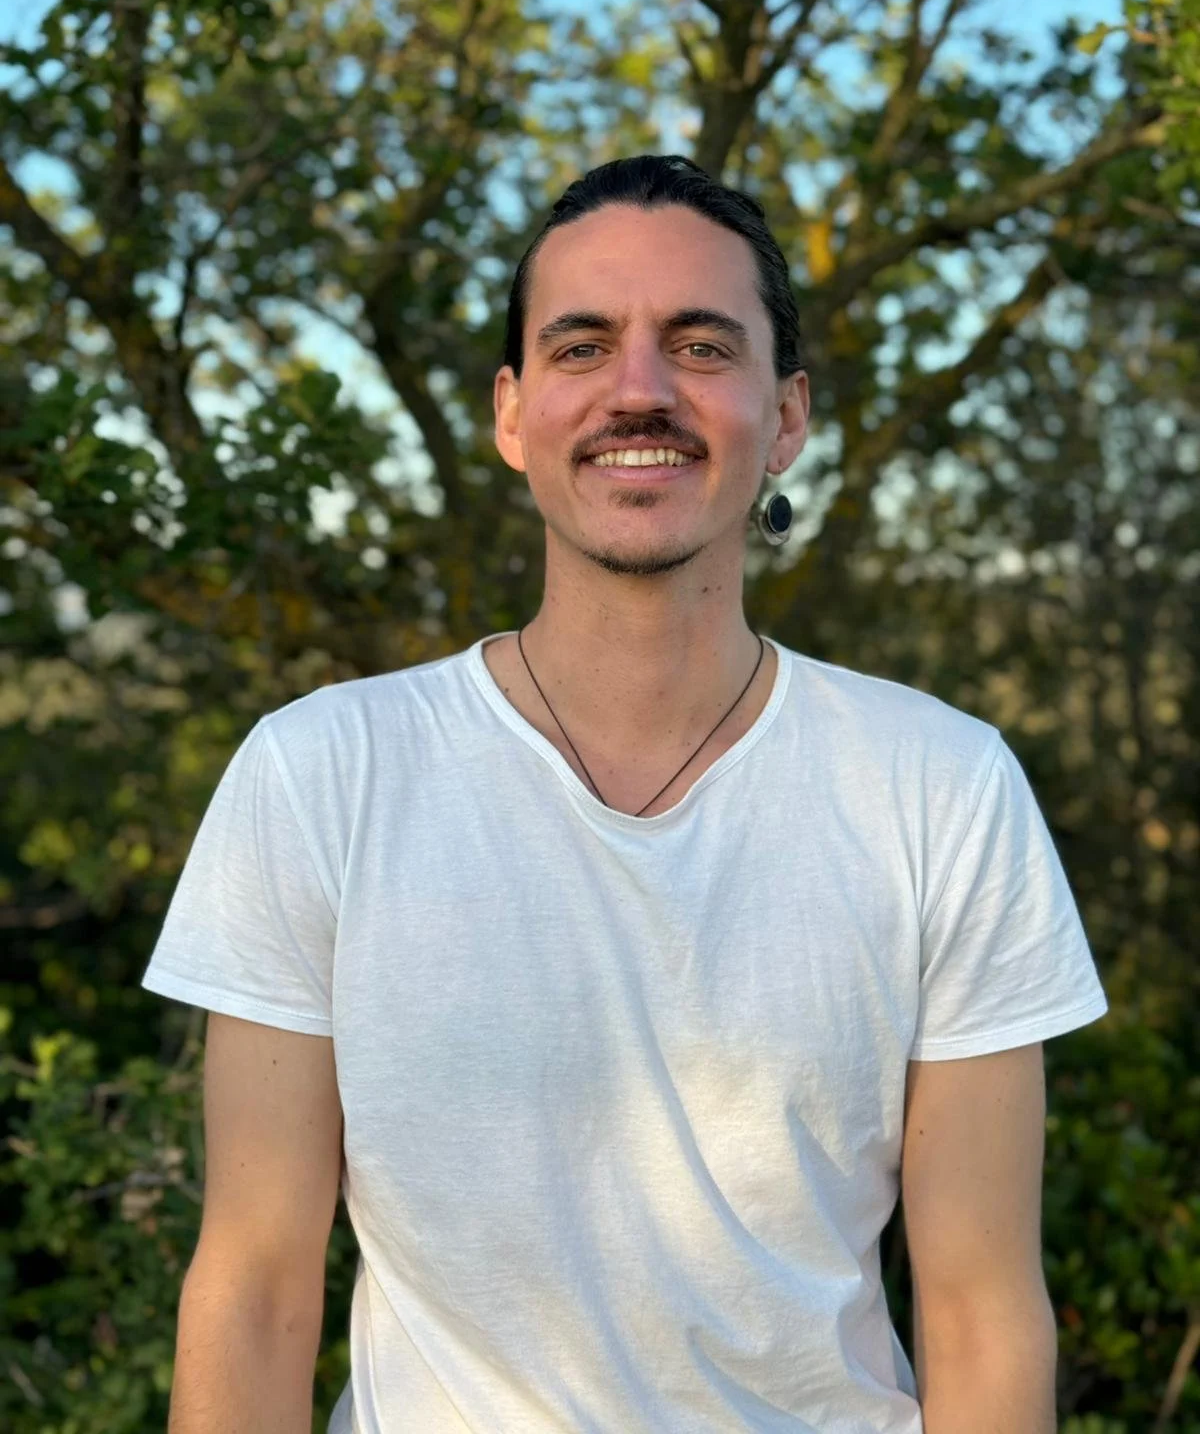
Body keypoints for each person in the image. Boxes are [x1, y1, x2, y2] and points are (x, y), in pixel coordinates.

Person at [143, 154, 1108, 1434]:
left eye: (702, 345)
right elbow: (258, 1286)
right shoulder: (321, 775)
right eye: (583, 344)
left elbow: (983, 1310)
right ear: (511, 411)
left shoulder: (940, 787)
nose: (639, 390)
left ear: (789, 416)